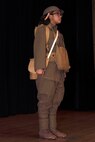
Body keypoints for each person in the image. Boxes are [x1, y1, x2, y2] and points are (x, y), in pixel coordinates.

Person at [34, 6, 68, 140]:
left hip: (58, 72)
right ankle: (43, 130)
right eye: (57, 14)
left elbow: (63, 54)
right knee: (45, 101)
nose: (60, 16)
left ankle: (52, 128)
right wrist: (39, 67)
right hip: (46, 71)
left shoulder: (59, 34)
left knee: (56, 101)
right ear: (48, 16)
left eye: (60, 14)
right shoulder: (43, 30)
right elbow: (39, 48)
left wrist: (65, 70)